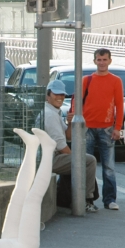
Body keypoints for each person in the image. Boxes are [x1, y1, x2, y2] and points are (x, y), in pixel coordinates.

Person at [67, 48, 123, 210]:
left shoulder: (116, 81)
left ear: (110, 61)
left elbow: (119, 105)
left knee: (109, 167)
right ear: (94, 61)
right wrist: (73, 118)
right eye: (99, 59)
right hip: (87, 129)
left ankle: (110, 200)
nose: (102, 62)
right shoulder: (87, 80)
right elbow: (75, 101)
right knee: (86, 165)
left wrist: (117, 128)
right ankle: (87, 199)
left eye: (105, 59)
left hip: (107, 128)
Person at [43, 80, 99, 213]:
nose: (60, 97)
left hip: (52, 156)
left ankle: (73, 198)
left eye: (62, 94)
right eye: (56, 94)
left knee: (82, 159)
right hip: (49, 159)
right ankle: (86, 200)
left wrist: (69, 123)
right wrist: (77, 159)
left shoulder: (54, 111)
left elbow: (68, 136)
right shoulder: (50, 115)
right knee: (89, 161)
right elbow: (62, 145)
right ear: (48, 95)